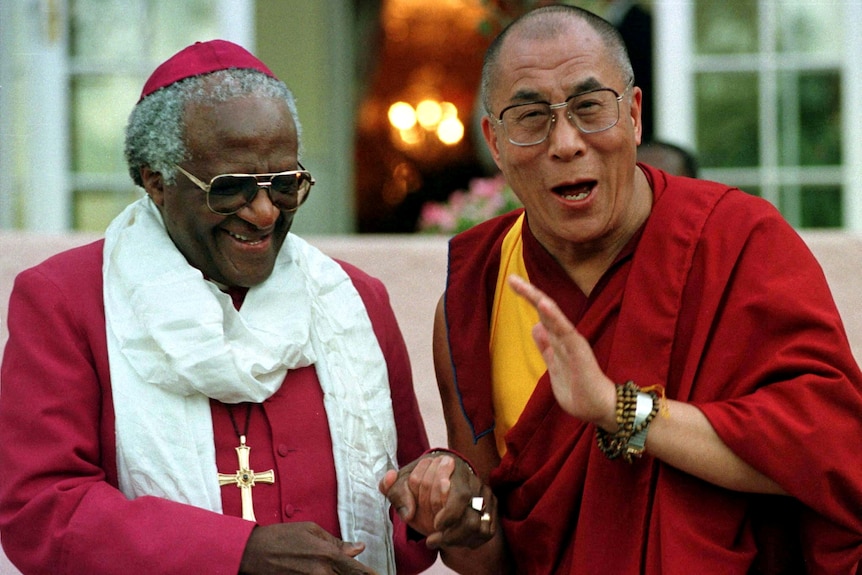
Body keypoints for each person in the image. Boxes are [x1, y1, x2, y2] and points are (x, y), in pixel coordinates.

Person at [380, 5, 862, 574]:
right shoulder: (474, 300)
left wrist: (618, 409)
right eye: (530, 117)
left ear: (633, 114)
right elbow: (491, 547)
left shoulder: (737, 242)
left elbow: (833, 456)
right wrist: (458, 514)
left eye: (589, 108)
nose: (566, 143)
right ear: (495, 141)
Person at [0, 40, 436, 575]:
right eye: (229, 189)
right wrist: (236, 553)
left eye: (283, 185)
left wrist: (445, 500)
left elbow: (408, 511)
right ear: (156, 182)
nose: (262, 212)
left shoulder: (353, 299)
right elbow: (42, 510)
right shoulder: (67, 300)